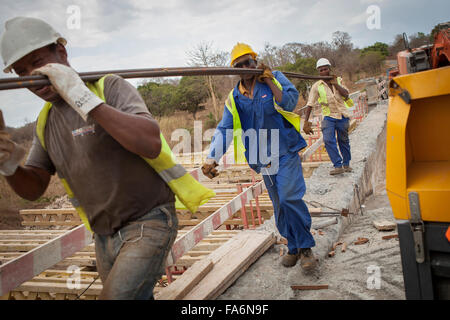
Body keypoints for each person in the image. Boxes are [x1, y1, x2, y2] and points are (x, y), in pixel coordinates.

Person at [0, 17, 214, 299]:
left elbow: (149, 142)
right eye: (21, 71)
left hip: (148, 221)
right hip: (104, 237)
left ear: (61, 54)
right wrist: (7, 161)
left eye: (38, 62)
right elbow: (34, 188)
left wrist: (81, 96)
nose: (32, 76)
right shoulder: (46, 123)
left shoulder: (108, 88)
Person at [201, 43, 317, 271]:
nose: (246, 67)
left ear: (255, 62)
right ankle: (292, 245)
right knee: (279, 205)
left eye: (249, 62)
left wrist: (270, 82)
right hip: (262, 158)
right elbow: (225, 128)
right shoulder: (234, 97)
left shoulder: (273, 78)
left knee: (289, 197)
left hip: (284, 150)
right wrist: (212, 156)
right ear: (235, 69)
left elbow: (290, 102)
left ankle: (305, 248)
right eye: (240, 65)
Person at [303, 58, 354, 175]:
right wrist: (306, 122)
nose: (323, 72)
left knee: (343, 140)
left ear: (329, 69)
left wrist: (335, 84)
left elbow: (346, 94)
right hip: (328, 116)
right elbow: (310, 103)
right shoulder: (317, 86)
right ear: (318, 72)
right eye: (321, 70)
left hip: (342, 115)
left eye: (325, 69)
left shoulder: (339, 80)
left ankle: (346, 164)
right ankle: (338, 165)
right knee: (328, 140)